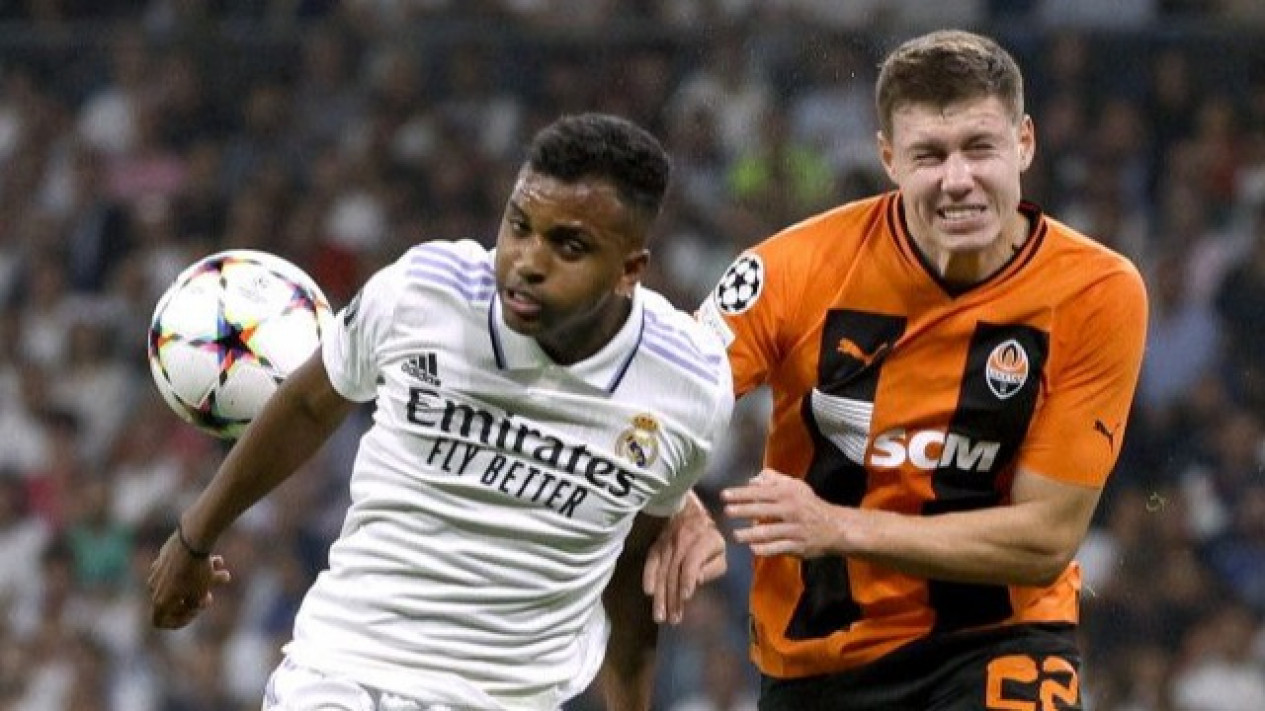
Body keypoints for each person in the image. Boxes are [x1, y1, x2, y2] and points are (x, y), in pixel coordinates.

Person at [147, 112, 735, 711]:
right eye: (519, 226)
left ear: (630, 270)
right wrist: (194, 537)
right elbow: (307, 402)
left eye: (569, 246)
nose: (527, 261)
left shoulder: (687, 385)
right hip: (343, 671)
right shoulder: (426, 291)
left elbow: (632, 566)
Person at [675, 29, 1148, 710]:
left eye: (979, 148)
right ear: (888, 158)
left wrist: (837, 527)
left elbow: (1044, 538)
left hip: (999, 639)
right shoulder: (789, 270)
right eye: (929, 154)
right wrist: (673, 496)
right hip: (819, 658)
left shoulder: (1096, 292)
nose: (957, 179)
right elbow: (661, 400)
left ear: (1024, 143)